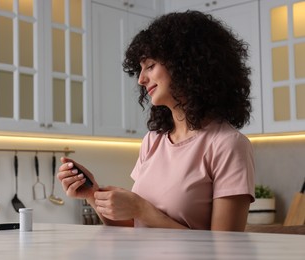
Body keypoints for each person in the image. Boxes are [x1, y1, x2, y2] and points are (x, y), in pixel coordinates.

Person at [57, 10, 255, 231]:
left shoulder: (227, 144)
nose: (141, 79)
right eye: (140, 70)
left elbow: (224, 249)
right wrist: (92, 194)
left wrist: (141, 209)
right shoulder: (153, 141)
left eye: (150, 66)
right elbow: (135, 226)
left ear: (185, 64)